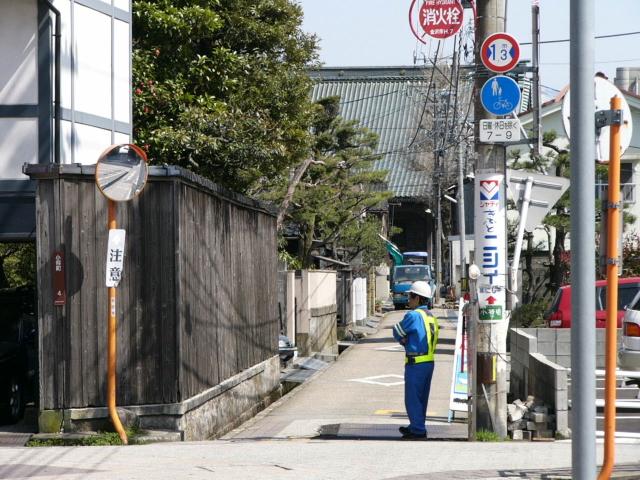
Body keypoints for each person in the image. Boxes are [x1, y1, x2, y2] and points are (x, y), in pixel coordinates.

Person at [392, 281, 439, 440]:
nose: (408, 299)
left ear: (418, 298)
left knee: (412, 398)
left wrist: (403, 340)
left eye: (410, 296)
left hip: (416, 362)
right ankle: (416, 426)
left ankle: (418, 430)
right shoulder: (431, 316)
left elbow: (397, 331)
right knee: (421, 398)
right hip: (429, 362)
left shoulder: (413, 315)